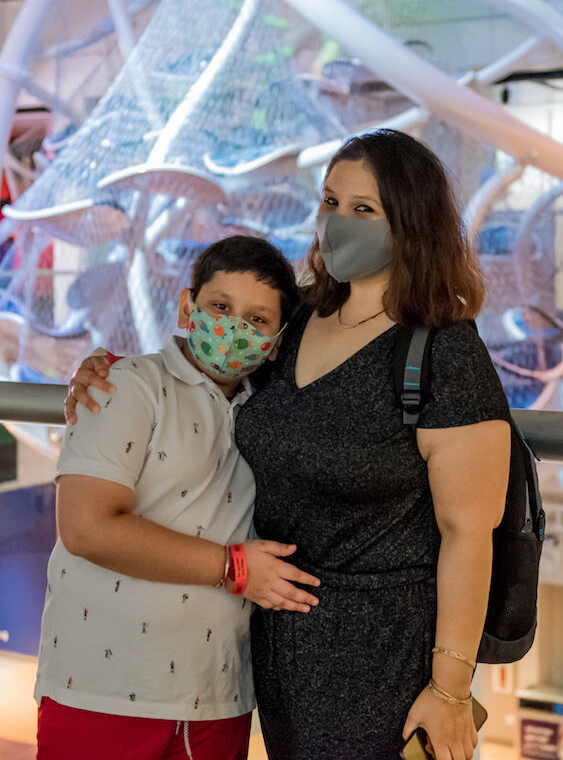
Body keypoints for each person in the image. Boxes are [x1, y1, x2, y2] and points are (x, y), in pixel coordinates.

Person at [67, 130, 511, 760]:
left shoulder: (443, 348)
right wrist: (104, 369)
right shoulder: (295, 320)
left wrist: (450, 689)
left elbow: (468, 532)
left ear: (411, 223)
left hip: (382, 656)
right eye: (330, 202)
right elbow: (207, 366)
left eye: (363, 208)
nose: (337, 222)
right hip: (272, 643)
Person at [35, 235, 321, 760]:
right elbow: (86, 527)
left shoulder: (271, 414)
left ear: (277, 341)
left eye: (257, 320)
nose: (234, 328)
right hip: (102, 691)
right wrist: (235, 568)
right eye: (220, 307)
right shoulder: (126, 386)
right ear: (189, 307)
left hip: (219, 696)